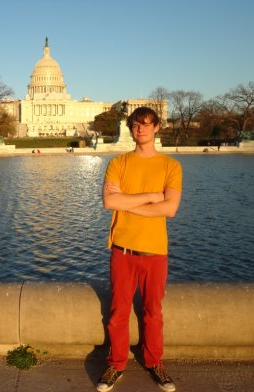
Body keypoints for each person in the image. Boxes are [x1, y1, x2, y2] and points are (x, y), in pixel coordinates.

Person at [97, 107, 182, 392]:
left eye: (146, 124)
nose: (140, 129)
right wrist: (149, 198)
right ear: (131, 128)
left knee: (152, 312)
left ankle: (154, 361)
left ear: (157, 128)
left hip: (155, 251)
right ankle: (116, 364)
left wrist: (128, 202)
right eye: (135, 125)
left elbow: (170, 209)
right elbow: (110, 203)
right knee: (118, 312)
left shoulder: (171, 166)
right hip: (122, 250)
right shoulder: (118, 163)